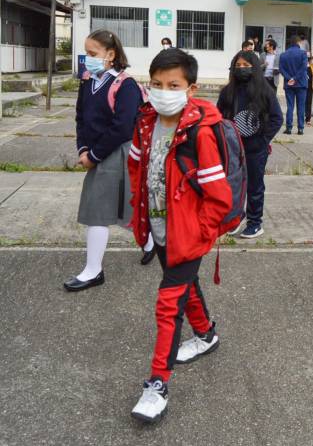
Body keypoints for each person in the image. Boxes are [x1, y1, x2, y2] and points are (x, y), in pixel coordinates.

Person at [127, 48, 231, 423]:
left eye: (173, 85)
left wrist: (198, 235)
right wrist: (140, 216)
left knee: (167, 303)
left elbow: (219, 197)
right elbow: (137, 167)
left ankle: (157, 383)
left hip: (188, 235)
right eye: (156, 84)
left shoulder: (199, 132)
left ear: (191, 88)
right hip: (158, 230)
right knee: (185, 288)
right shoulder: (145, 122)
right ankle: (205, 335)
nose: (163, 91)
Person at [64, 29, 145, 292]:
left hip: (116, 152)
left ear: (110, 55)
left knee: (102, 208)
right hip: (96, 151)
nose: (87, 59)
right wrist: (83, 148)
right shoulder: (88, 81)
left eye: (92, 54)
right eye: (86, 53)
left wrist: (95, 155)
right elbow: (81, 118)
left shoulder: (126, 85)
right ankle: (149, 243)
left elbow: (122, 127)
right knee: (118, 208)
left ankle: (93, 271)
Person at [217, 50, 283, 238]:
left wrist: (263, 140)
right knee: (233, 185)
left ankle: (255, 222)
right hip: (232, 149)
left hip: (256, 149)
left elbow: (277, 118)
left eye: (246, 66)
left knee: (254, 186)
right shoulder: (227, 92)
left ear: (254, 67)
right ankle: (236, 217)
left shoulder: (265, 91)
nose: (242, 69)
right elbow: (218, 117)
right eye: (238, 66)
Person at [279, 35, 309, 135]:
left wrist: (289, 78)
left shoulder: (283, 54)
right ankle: (300, 128)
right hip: (301, 83)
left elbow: (281, 69)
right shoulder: (303, 53)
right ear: (298, 42)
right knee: (301, 106)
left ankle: (288, 128)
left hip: (289, 84)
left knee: (290, 106)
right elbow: (304, 68)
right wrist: (295, 78)